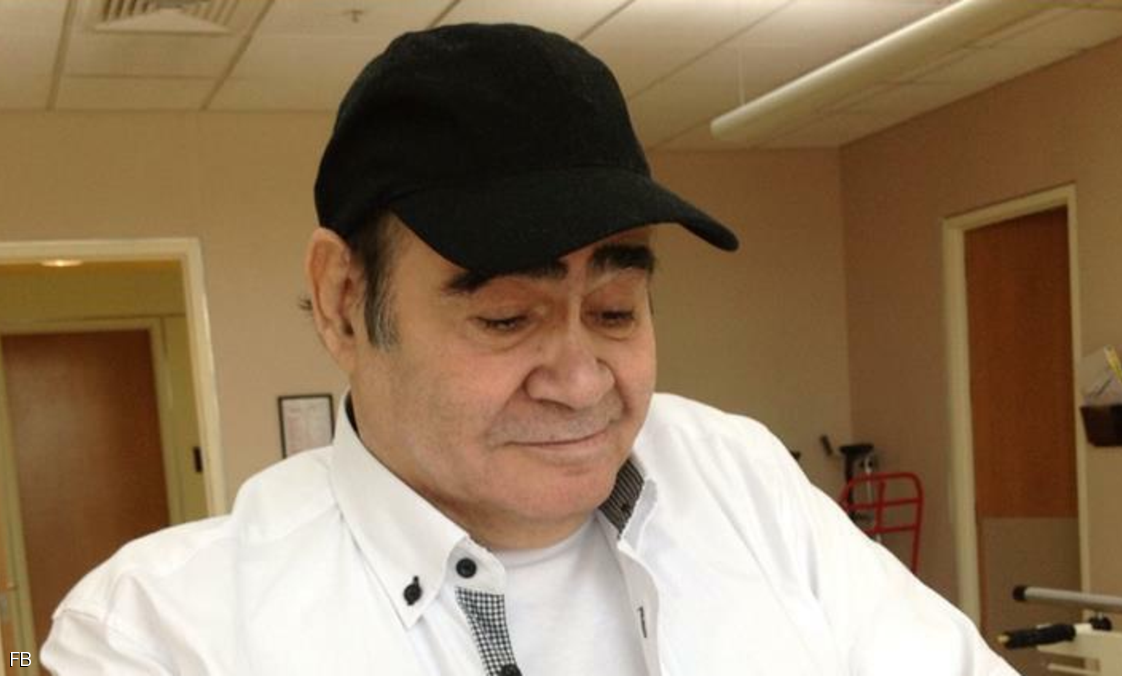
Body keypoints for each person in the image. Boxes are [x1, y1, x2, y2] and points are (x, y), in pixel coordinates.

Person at [42, 23, 1016, 675]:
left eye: (617, 310)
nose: (582, 381)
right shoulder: (164, 632)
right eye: (507, 318)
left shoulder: (737, 478)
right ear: (343, 303)